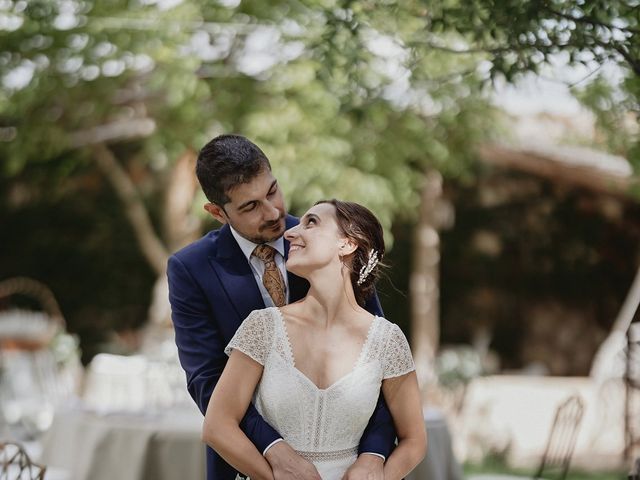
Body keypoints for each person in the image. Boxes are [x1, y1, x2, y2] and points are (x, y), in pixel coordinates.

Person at [167, 135, 397, 480]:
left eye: (272, 191)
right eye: (250, 206)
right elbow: (207, 379)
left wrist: (374, 454)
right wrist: (274, 451)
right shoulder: (191, 269)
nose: (273, 212)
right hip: (248, 461)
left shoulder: (327, 241)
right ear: (217, 213)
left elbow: (377, 360)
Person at [203, 199, 427, 480]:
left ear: (347, 243)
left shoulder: (387, 340)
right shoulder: (262, 326)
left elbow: (414, 439)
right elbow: (217, 426)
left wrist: (381, 474)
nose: (289, 233)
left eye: (312, 223)